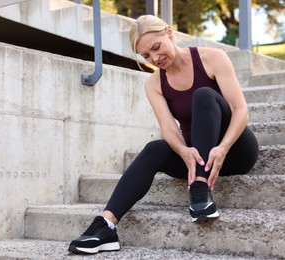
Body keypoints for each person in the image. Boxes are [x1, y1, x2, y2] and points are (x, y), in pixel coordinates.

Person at [68, 15, 259, 255]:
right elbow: (169, 128)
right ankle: (106, 225)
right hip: (196, 158)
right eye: (146, 56)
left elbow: (241, 111)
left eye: (156, 48)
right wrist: (183, 151)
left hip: (235, 149)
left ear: (169, 32)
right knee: (154, 148)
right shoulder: (154, 84)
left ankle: (200, 189)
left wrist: (222, 148)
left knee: (203, 95)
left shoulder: (212, 58)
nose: (155, 58)